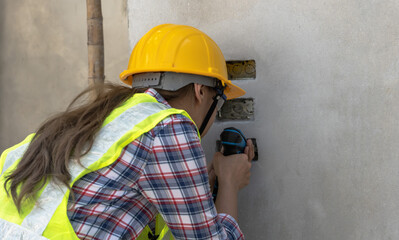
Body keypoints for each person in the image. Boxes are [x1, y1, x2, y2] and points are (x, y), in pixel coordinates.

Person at [0, 24, 254, 240]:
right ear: (200, 91)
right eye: (217, 100)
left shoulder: (103, 118)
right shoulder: (169, 126)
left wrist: (201, 185)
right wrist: (230, 183)